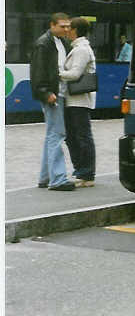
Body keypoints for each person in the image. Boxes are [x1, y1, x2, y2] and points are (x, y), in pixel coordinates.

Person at [30, 13, 75, 191]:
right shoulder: (44, 43)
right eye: (62, 26)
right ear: (52, 25)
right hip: (53, 94)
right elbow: (38, 71)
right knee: (57, 134)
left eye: (68, 26)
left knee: (52, 134)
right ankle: (58, 179)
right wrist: (45, 92)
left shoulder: (60, 42)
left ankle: (45, 177)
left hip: (58, 93)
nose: (66, 29)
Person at [59, 17, 97, 188]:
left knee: (82, 136)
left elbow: (75, 74)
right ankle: (81, 171)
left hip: (79, 100)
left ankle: (87, 173)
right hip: (73, 99)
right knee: (72, 135)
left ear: (75, 30)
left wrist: (57, 72)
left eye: (69, 28)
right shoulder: (77, 48)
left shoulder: (82, 49)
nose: (67, 31)